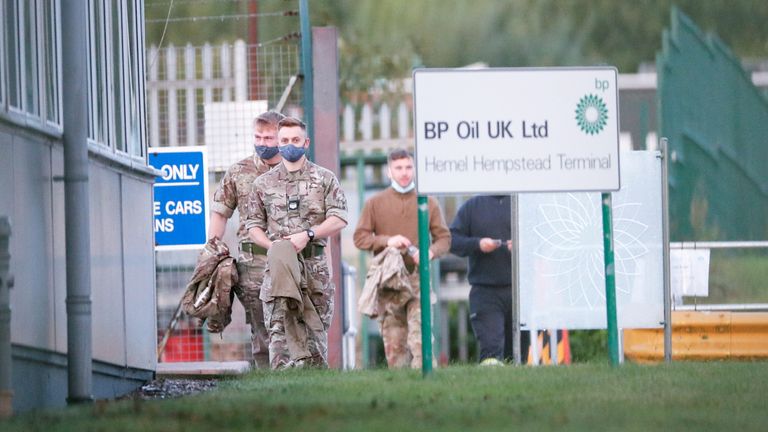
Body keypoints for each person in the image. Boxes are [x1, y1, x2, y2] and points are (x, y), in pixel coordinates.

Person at [245, 116, 348, 369]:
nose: (289, 144)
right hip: (279, 269)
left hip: (315, 269)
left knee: (315, 337)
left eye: (295, 140)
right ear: (278, 144)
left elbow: (340, 218)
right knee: (279, 333)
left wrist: (309, 235)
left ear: (306, 143)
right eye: (284, 140)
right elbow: (252, 226)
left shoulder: (324, 179)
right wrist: (276, 249)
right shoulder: (262, 184)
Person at [353, 149, 451, 369]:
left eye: (408, 167)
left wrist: (430, 253)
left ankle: (429, 387)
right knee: (395, 349)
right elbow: (360, 238)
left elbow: (444, 238)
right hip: (388, 281)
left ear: (414, 169)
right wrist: (388, 241)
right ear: (389, 172)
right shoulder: (375, 204)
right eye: (398, 168)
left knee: (421, 341)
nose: (404, 172)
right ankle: (404, 393)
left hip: (417, 278)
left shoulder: (428, 202)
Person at [208, 110, 285, 369]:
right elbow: (220, 212)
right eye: (258, 137)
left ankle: (295, 379)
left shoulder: (296, 172)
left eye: (269, 137)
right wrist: (213, 250)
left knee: (290, 324)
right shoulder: (239, 172)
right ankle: (267, 379)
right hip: (253, 263)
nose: (262, 142)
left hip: (289, 258)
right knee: (262, 327)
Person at [449, 195, 530, 365]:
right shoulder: (471, 206)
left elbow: (545, 239)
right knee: (491, 353)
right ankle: (490, 391)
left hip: (522, 291)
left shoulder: (523, 204)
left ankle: (517, 388)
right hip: (485, 292)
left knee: (519, 355)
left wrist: (524, 244)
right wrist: (477, 244)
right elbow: (451, 241)